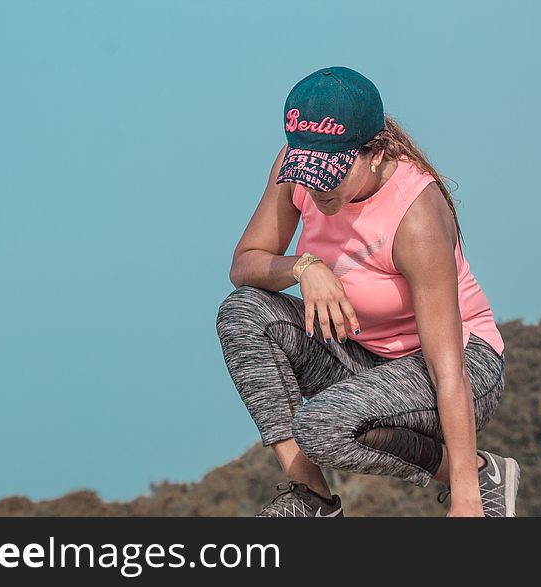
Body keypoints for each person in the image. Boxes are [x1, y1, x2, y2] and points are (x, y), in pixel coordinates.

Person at [215, 66, 520, 517]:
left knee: (320, 427)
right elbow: (245, 265)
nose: (315, 188)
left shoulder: (414, 215)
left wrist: (467, 497)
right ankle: (311, 498)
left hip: (458, 367)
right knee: (242, 312)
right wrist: (304, 265)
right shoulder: (294, 169)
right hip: (361, 354)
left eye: (330, 173)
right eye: (308, 170)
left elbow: (446, 365)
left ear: (374, 153)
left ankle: (477, 471)